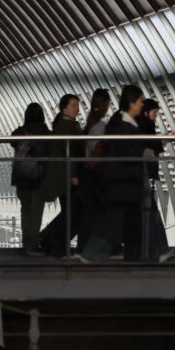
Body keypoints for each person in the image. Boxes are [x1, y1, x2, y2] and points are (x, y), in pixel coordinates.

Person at [91, 85, 151, 262]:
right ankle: (92, 253)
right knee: (114, 222)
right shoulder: (124, 127)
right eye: (140, 101)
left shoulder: (123, 124)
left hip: (124, 182)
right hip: (124, 182)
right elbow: (126, 153)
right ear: (132, 103)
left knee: (123, 221)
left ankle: (137, 254)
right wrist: (144, 153)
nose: (142, 105)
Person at [37, 94, 83, 256]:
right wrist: (74, 175)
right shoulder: (66, 127)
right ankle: (56, 244)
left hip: (63, 176)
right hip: (67, 177)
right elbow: (69, 153)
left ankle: (49, 240)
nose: (76, 109)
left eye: (77, 105)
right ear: (64, 108)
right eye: (72, 106)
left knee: (69, 212)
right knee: (72, 213)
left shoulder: (64, 125)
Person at [136, 99, 175, 262]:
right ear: (146, 111)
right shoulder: (144, 126)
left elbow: (149, 147)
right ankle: (158, 251)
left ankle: (153, 250)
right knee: (151, 213)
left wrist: (161, 143)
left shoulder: (142, 125)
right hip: (141, 174)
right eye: (154, 113)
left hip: (141, 174)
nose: (155, 117)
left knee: (147, 213)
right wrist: (160, 143)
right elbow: (146, 148)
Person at [10, 103, 50, 255]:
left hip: (21, 177)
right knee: (36, 212)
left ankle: (26, 243)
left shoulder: (19, 132)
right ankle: (32, 245)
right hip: (38, 176)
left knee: (25, 210)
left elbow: (13, 140)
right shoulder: (45, 133)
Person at [79, 88, 111, 254]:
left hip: (87, 174)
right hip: (96, 175)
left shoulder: (89, 124)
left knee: (89, 213)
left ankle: (84, 247)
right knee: (97, 213)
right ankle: (92, 249)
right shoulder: (100, 127)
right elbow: (98, 150)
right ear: (106, 105)